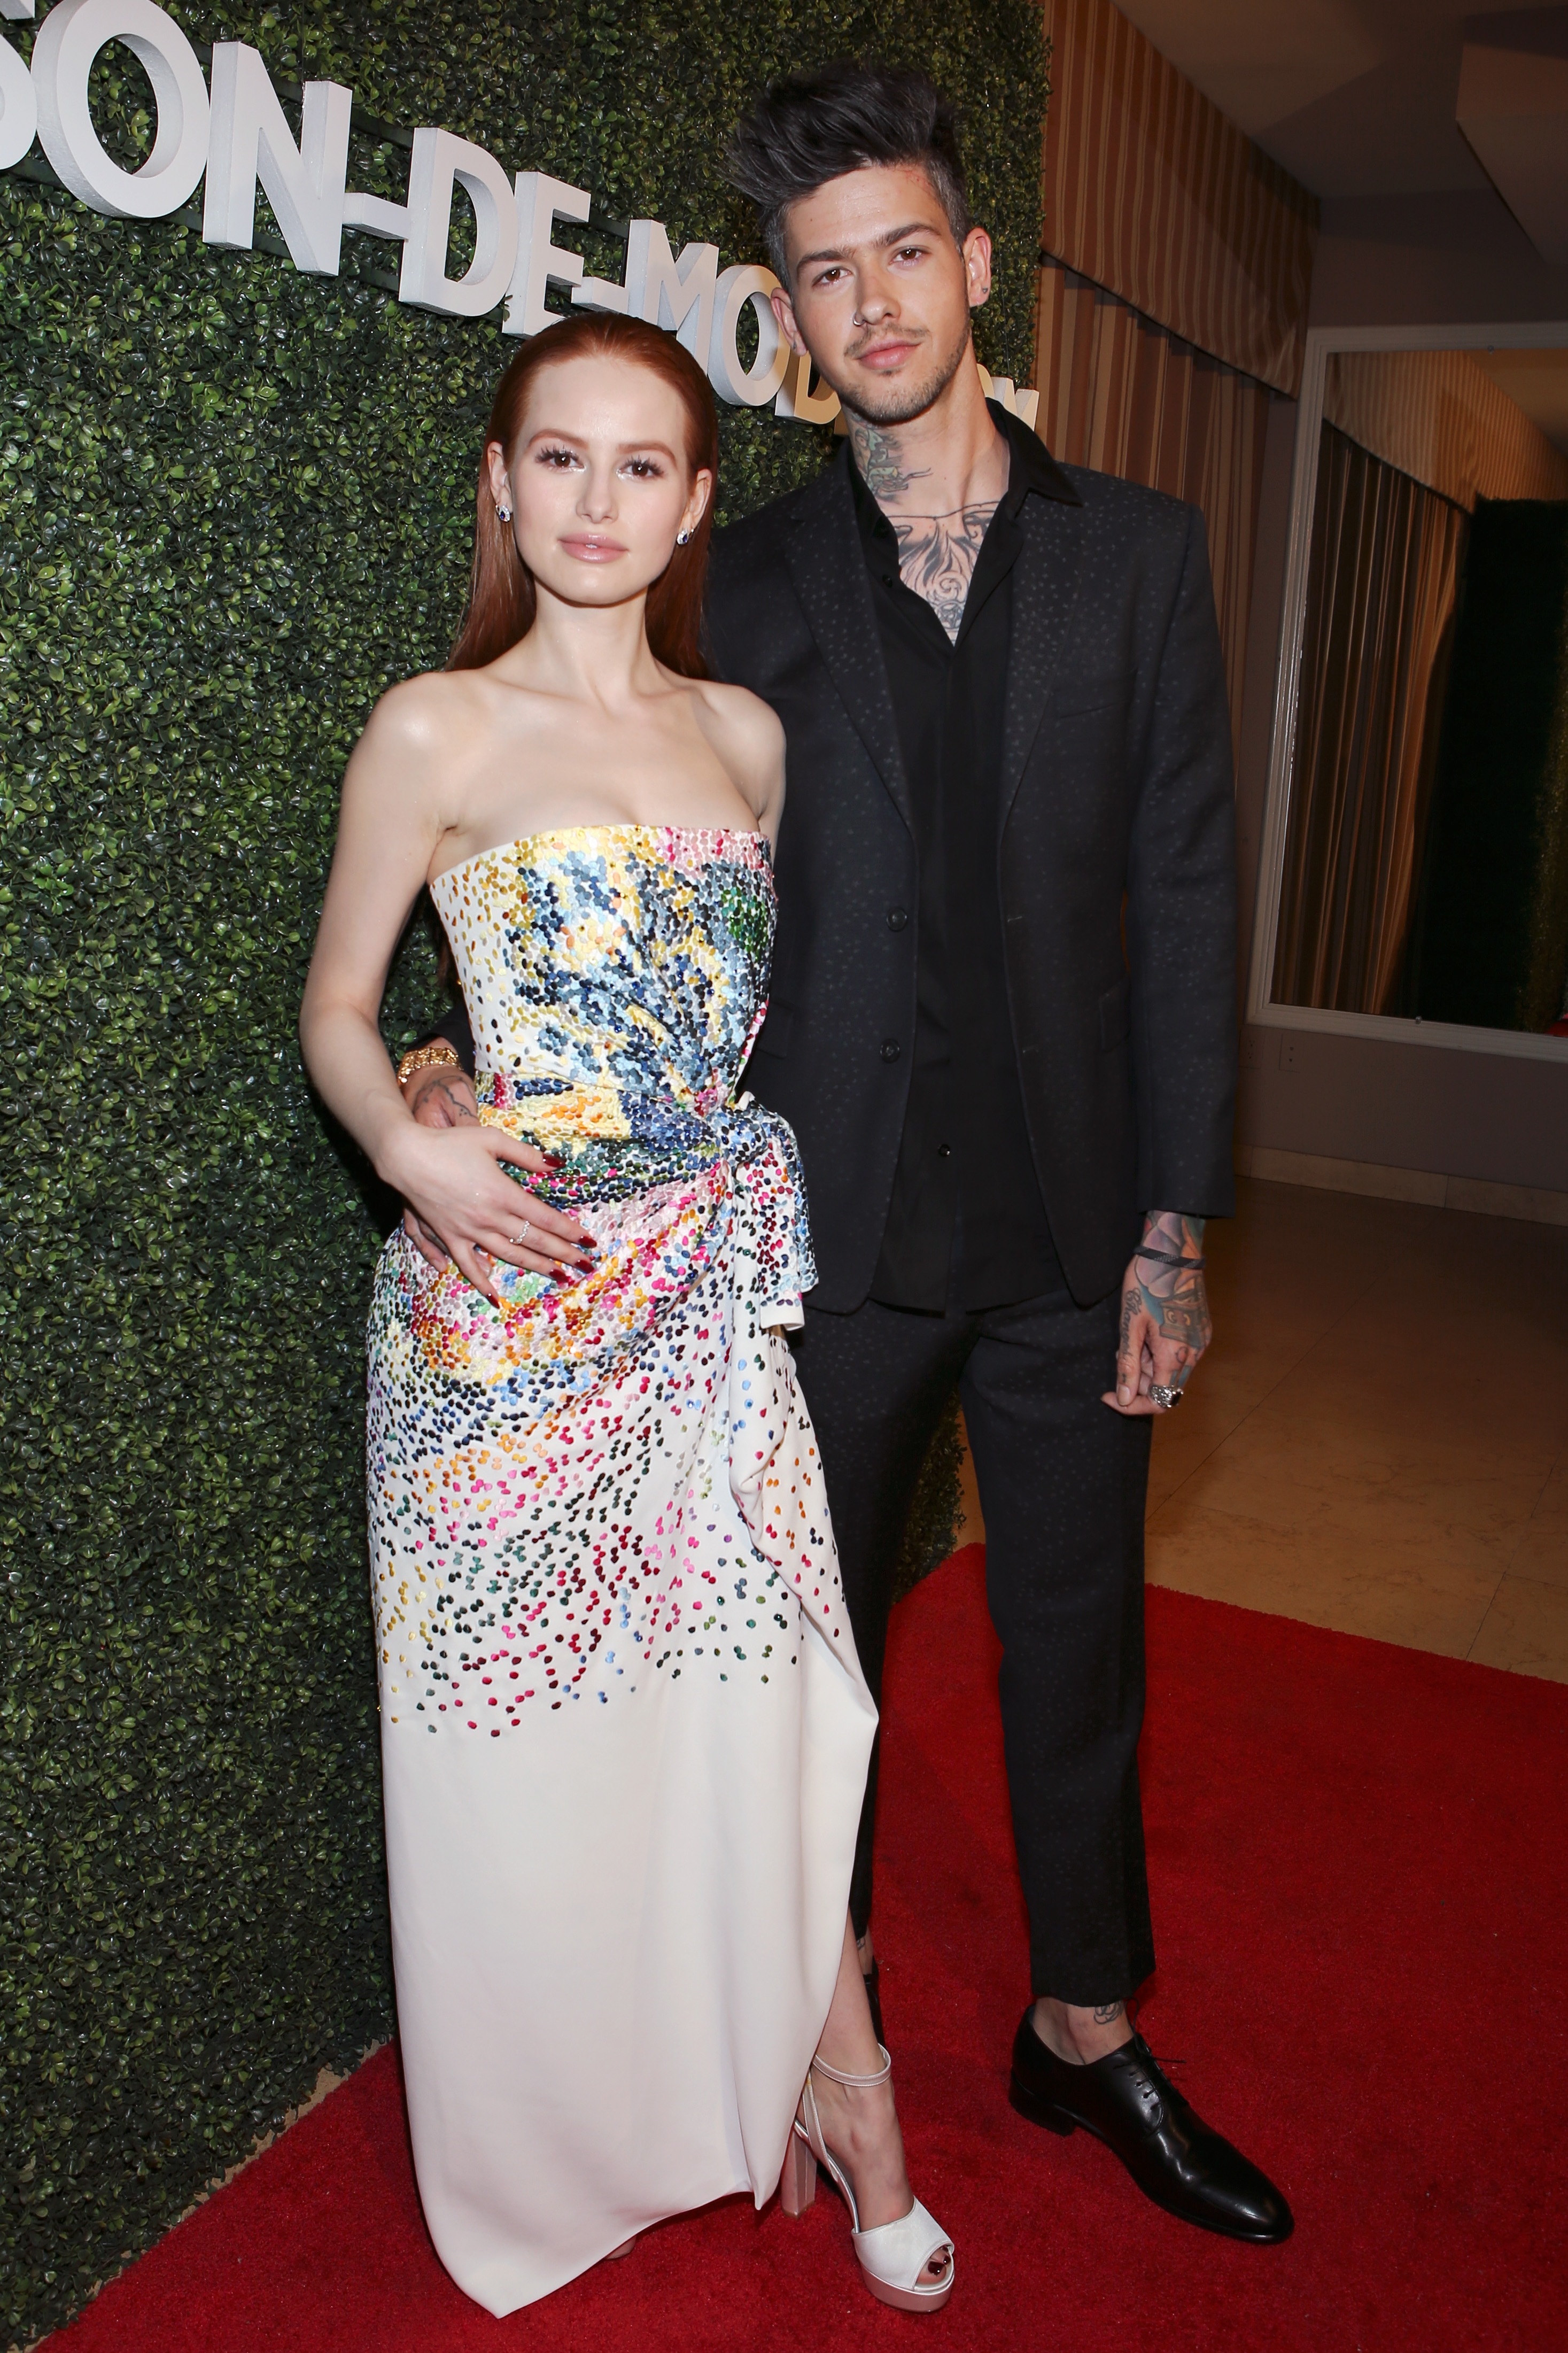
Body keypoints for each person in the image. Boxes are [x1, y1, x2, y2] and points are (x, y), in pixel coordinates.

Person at [404, 64, 1292, 2247]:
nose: (874, 301)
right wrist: (450, 1034)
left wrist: (1178, 1223)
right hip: (815, 1228)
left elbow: (1188, 895)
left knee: (1077, 1635)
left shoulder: (1138, 557)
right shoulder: (751, 574)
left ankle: (1084, 2024)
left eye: (906, 252)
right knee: (813, 1679)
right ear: (791, 320)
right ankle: (828, 2019)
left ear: (976, 268)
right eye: (826, 274)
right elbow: (592, 801)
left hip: (1075, 1219)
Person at [298, 308, 954, 2316]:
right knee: (522, 1786)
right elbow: (340, 1004)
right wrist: (409, 1134)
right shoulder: (434, 726)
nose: (598, 500)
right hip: (500, 1323)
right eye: (559, 458)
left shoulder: (747, 737)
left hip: (710, 1310)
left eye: (642, 464)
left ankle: (850, 2094)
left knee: (773, 1717)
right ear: (503, 487)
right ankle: (573, 2136)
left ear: (692, 504)